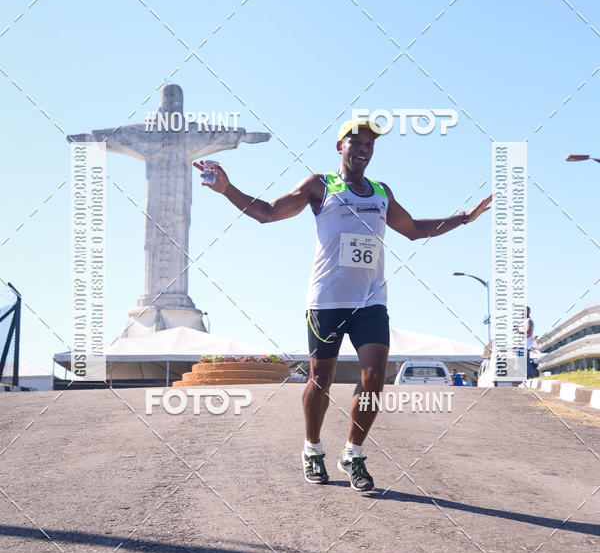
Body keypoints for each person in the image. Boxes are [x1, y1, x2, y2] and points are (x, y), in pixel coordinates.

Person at [195, 117, 491, 491]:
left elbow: (413, 229)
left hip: (370, 301)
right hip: (327, 301)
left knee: (373, 379)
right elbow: (268, 212)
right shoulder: (320, 185)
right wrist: (227, 189)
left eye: (370, 143)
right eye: (356, 142)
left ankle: (353, 453)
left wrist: (465, 218)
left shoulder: (381, 192)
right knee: (321, 380)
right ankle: (312, 448)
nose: (364, 148)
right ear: (340, 147)